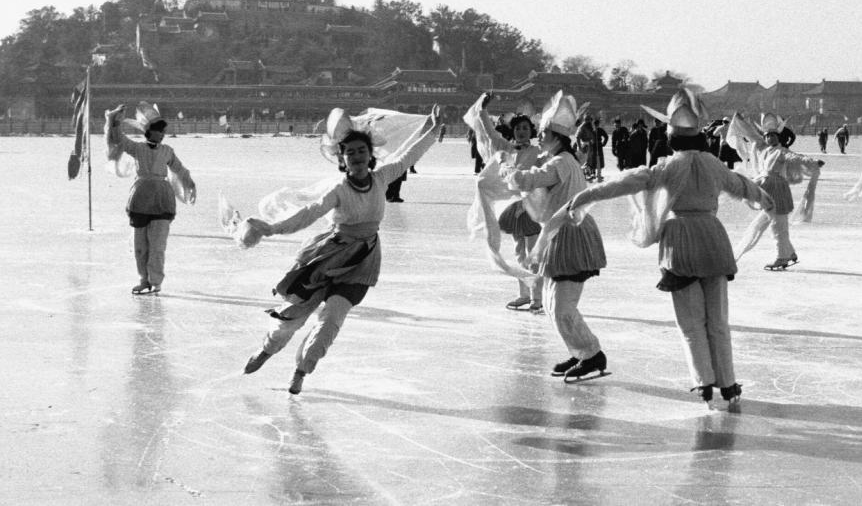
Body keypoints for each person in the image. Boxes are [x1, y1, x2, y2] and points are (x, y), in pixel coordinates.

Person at [566, 90, 772, 409]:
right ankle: (728, 383)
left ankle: (704, 382)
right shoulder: (714, 164)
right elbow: (741, 184)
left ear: (672, 137)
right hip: (713, 240)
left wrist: (585, 196)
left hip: (680, 243)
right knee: (718, 320)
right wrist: (764, 197)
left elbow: (624, 183)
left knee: (690, 322)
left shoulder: (667, 168)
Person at [239, 106, 440, 394]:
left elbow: (407, 156)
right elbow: (309, 213)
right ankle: (266, 350)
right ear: (342, 159)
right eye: (350, 152)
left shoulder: (381, 178)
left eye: (361, 151)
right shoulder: (339, 190)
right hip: (327, 257)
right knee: (294, 316)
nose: (357, 156)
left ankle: (301, 371)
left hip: (362, 261)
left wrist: (432, 129)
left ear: (370, 155)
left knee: (330, 321)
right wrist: (273, 228)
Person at [505, 91, 608, 382]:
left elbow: (530, 179)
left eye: (542, 133)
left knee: (562, 306)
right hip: (559, 235)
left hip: (570, 237)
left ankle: (591, 354)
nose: (538, 137)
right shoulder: (561, 160)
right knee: (553, 304)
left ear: (555, 137)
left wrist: (508, 170)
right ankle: (582, 351)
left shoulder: (561, 163)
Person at [104, 102, 197, 295]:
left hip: (162, 199)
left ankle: (156, 281)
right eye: (158, 131)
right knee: (140, 246)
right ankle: (143, 280)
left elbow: (179, 169)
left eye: (163, 131)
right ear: (149, 131)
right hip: (140, 198)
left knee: (158, 245)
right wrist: (115, 119)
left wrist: (189, 183)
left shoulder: (167, 151)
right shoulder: (137, 148)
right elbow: (118, 138)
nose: (162, 134)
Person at [465, 93, 543, 312]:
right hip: (513, 207)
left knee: (533, 253)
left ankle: (537, 297)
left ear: (531, 131)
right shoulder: (507, 148)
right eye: (518, 128)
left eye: (525, 128)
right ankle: (524, 294)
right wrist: (482, 110)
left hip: (531, 206)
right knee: (520, 252)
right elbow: (490, 132)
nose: (521, 132)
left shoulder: (538, 152)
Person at [730, 112, 824, 271]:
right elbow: (752, 135)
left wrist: (813, 162)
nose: (770, 138)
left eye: (773, 136)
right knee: (772, 222)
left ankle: (782, 257)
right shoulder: (763, 149)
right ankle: (790, 253)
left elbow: (796, 157)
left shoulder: (782, 151)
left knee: (778, 225)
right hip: (766, 189)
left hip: (778, 190)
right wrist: (741, 121)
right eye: (767, 136)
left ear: (778, 137)